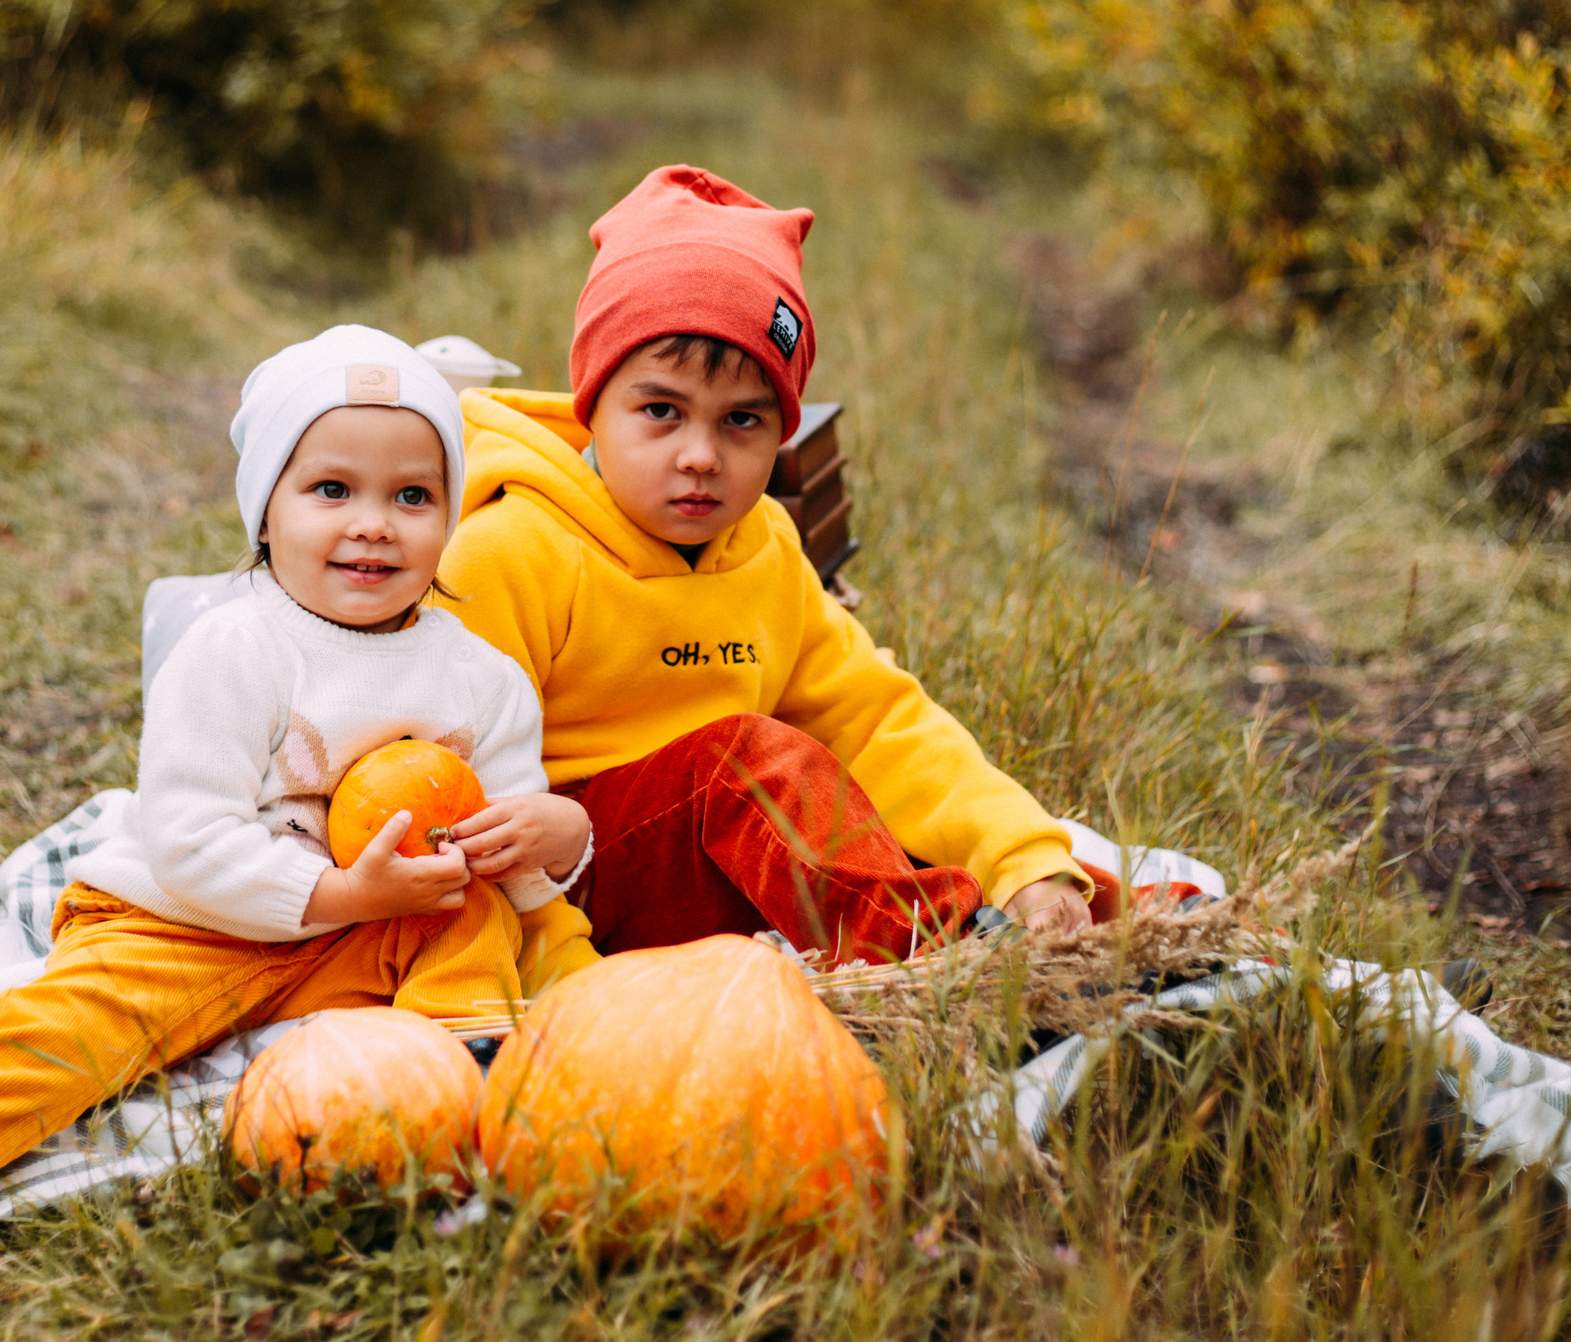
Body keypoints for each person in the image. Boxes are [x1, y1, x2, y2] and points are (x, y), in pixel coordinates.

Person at [0, 326, 596, 1331]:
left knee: (484, 927)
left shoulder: (478, 676)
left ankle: (478, 1125)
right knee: (73, 1027)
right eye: (332, 490)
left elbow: (509, 842)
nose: (373, 524)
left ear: (447, 513)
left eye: (411, 496)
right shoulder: (239, 647)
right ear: (266, 510)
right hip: (203, 919)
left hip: (386, 929)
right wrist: (335, 894)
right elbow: (188, 836)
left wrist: (553, 832)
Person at [438, 165, 1097, 969]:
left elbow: (876, 718)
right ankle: (950, 964)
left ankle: (1096, 929)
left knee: (985, 856)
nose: (700, 456)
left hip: (726, 861)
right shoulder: (513, 548)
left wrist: (1024, 855)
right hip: (566, 879)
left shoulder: (767, 547)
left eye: (742, 420)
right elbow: (445, 775)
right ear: (593, 401)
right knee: (748, 764)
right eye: (660, 411)